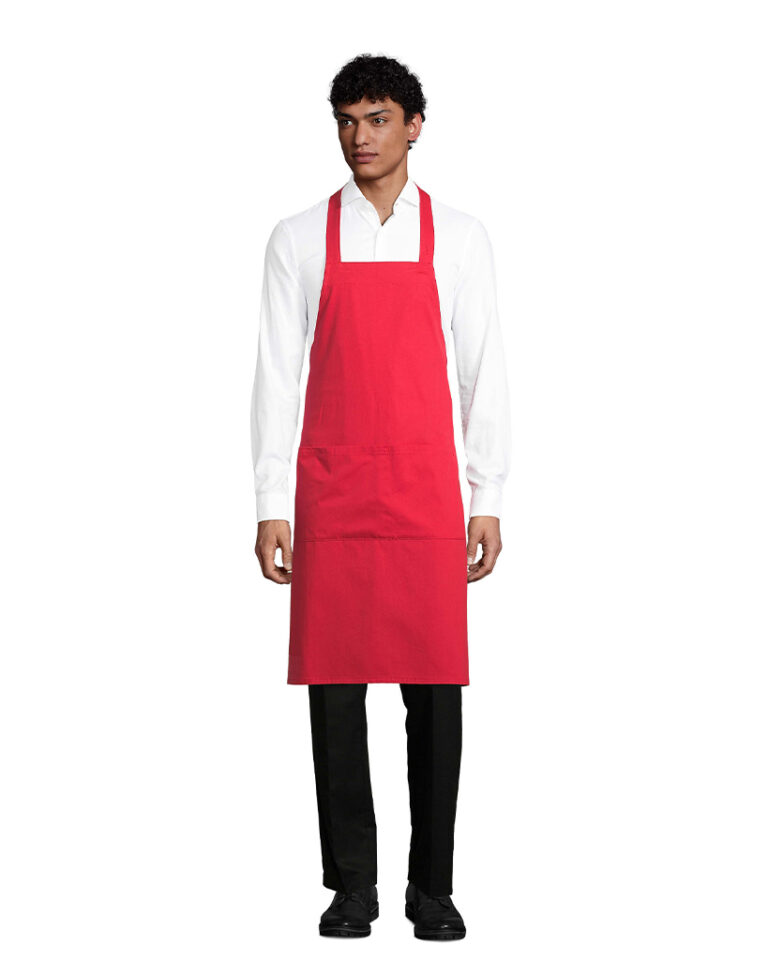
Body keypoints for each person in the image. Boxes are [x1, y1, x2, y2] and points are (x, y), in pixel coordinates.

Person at [251, 53, 511, 940]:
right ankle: (352, 887)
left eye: (377, 119)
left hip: (425, 491)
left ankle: (431, 888)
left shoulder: (460, 237)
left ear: (414, 126)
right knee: (334, 692)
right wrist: (270, 499)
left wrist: (487, 492)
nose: (359, 137)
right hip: (331, 491)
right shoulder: (296, 237)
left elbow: (482, 369)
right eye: (347, 121)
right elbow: (276, 376)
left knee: (435, 694)